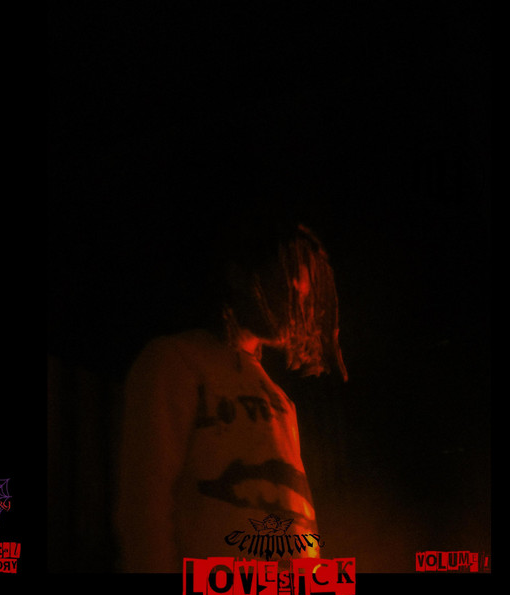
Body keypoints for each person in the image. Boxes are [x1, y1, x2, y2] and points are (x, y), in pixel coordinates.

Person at [114, 218, 347, 572]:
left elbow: (299, 512)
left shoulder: (281, 400)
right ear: (239, 277)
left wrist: (313, 582)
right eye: (287, 284)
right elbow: (145, 501)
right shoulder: (175, 360)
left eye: (304, 293)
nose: (298, 302)